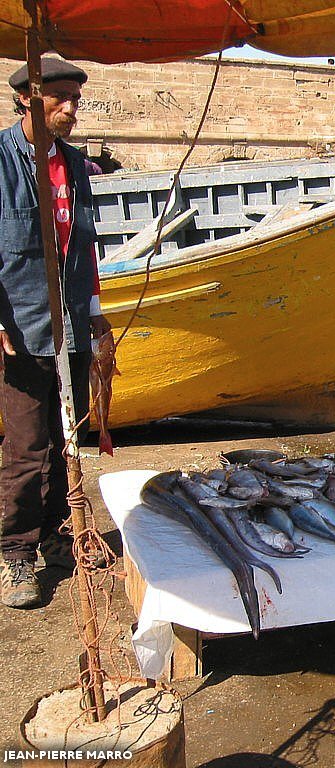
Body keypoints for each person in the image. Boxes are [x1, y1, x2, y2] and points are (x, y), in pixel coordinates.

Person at [0, 57, 110, 609]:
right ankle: (15, 554)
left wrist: (94, 311)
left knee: (69, 437)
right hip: (20, 328)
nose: (69, 110)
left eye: (75, 101)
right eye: (58, 99)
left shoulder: (73, 164)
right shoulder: (0, 160)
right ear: (27, 99)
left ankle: (55, 534)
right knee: (25, 447)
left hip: (70, 324)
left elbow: (85, 248)